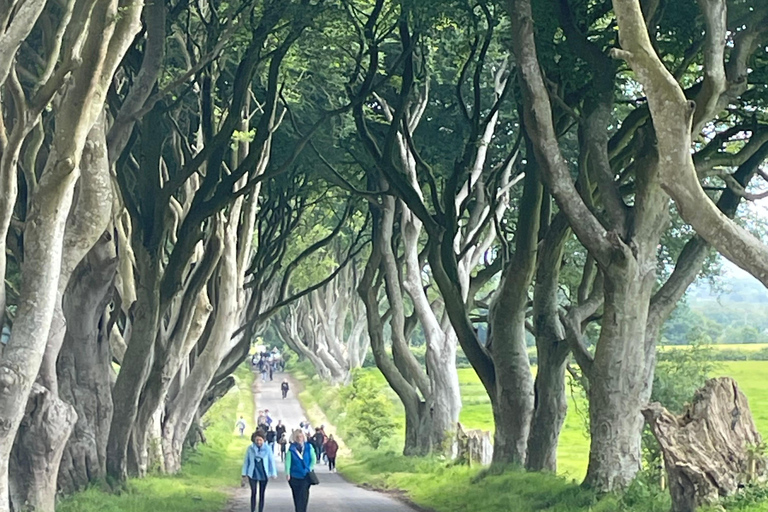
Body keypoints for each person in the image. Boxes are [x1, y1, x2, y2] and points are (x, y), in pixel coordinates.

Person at [241, 431, 278, 512]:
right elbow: (246, 461)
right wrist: (244, 473)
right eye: (257, 440)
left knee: (262, 493)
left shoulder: (267, 449)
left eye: (260, 440)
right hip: (253, 472)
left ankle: (260, 510)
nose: (258, 442)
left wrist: (273, 473)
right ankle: (252, 509)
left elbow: (271, 461)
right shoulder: (250, 448)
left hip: (263, 473)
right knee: (253, 492)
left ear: (263, 440)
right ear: (254, 440)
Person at [285, 429, 316, 512]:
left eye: (301, 436)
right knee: (297, 496)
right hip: (294, 476)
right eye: (298, 437)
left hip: (305, 476)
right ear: (295, 438)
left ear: (303, 437)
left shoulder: (309, 447)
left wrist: (309, 468)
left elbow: (313, 459)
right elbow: (288, 461)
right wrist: (287, 473)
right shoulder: (291, 449)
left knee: (304, 496)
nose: (299, 438)